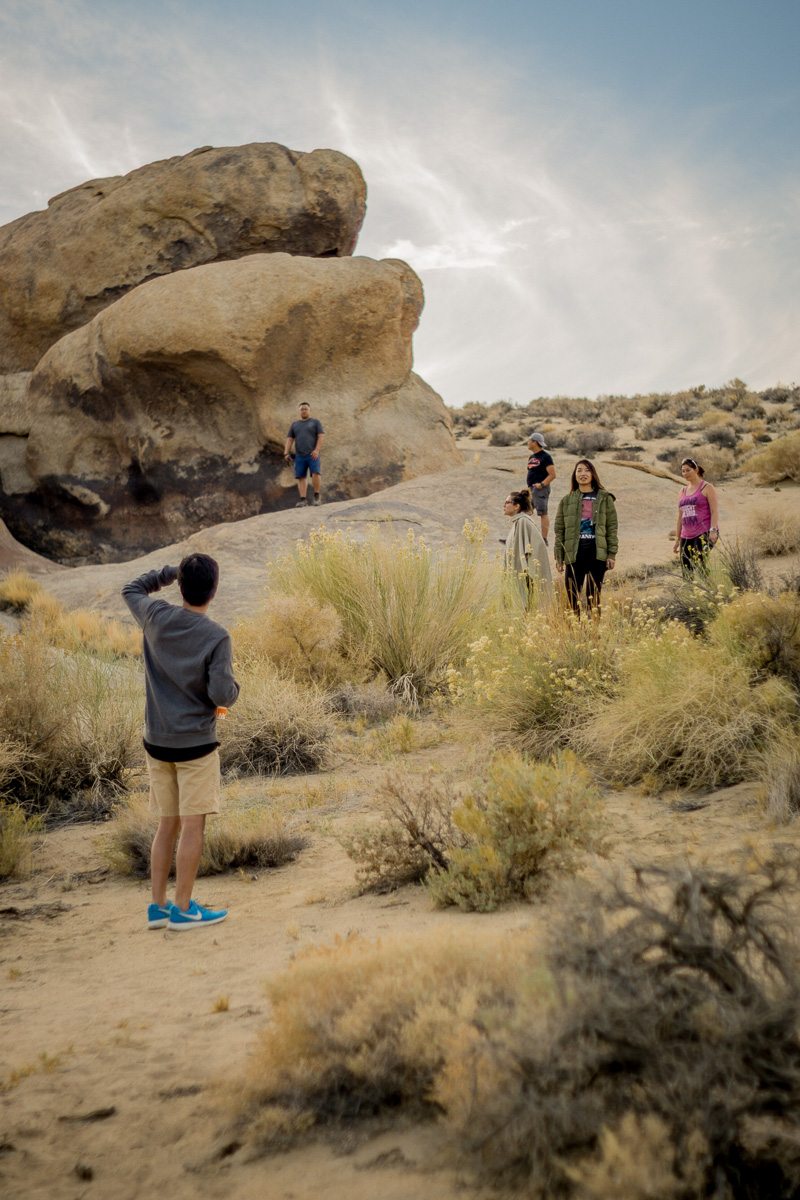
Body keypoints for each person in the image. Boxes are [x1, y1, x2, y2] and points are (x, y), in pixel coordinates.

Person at [122, 553, 240, 932]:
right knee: (192, 826)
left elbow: (131, 588)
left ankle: (158, 907)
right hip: (196, 746)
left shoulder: (155, 616)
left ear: (181, 586)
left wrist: (171, 573)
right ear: (214, 590)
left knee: (166, 825)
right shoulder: (217, 636)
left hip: (157, 741)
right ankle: (184, 909)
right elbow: (221, 694)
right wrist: (234, 690)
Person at [554, 459, 618, 614]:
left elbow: (611, 527)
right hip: (574, 553)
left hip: (597, 552)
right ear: (574, 475)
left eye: (587, 470)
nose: (583, 474)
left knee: (594, 596)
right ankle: (574, 627)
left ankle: (593, 627)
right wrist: (559, 557)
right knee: (572, 596)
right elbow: (559, 530)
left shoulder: (604, 498)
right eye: (579, 470)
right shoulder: (566, 500)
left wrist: (611, 554)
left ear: (593, 474)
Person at [503, 489, 553, 608]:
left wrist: (528, 572)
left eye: (507, 502)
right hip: (520, 575)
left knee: (526, 606)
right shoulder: (517, 522)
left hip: (525, 578)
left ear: (517, 506)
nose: (503, 505)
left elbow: (537, 549)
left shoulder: (523, 522)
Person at [673, 457, 719, 573]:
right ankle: (693, 586)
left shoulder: (707, 487)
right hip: (686, 535)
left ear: (696, 470)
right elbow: (680, 517)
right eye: (683, 471)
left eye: (688, 470)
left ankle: (709, 584)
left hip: (703, 532)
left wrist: (713, 531)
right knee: (686, 571)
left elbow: (714, 511)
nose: (685, 473)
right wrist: (677, 540)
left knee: (699, 565)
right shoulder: (682, 491)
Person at [284, 402, 324, 506]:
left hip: (312, 454)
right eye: (302, 409)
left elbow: (320, 436)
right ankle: (303, 500)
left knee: (316, 473)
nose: (304, 411)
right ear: (299, 411)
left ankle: (316, 497)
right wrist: (286, 453)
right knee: (301, 477)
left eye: (306, 409)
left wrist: (316, 450)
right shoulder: (295, 424)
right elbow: (290, 439)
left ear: (309, 410)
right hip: (299, 455)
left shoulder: (315, 422)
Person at [525, 432, 556, 546]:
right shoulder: (532, 457)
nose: (528, 443)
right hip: (531, 488)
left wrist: (542, 485)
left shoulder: (546, 457)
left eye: (529, 440)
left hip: (540, 489)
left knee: (542, 512)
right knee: (524, 511)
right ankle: (518, 537)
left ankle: (544, 539)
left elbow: (552, 474)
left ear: (535, 442)